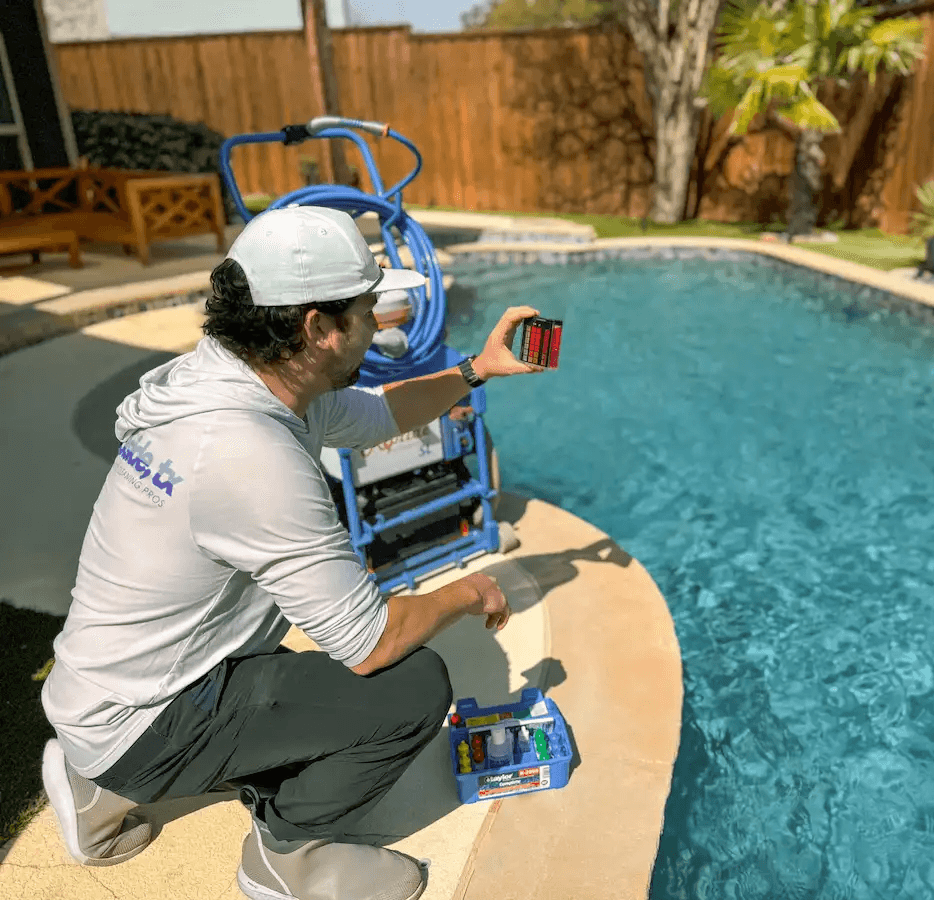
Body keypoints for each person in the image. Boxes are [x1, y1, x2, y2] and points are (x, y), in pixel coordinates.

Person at [40, 205, 542, 900]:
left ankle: (92, 786)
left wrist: (476, 371)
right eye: (368, 307)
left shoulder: (231, 381)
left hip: (98, 690)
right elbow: (370, 643)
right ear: (319, 328)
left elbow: (381, 415)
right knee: (412, 687)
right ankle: (287, 856)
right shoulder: (249, 454)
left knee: (303, 676)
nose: (380, 319)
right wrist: (468, 593)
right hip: (144, 721)